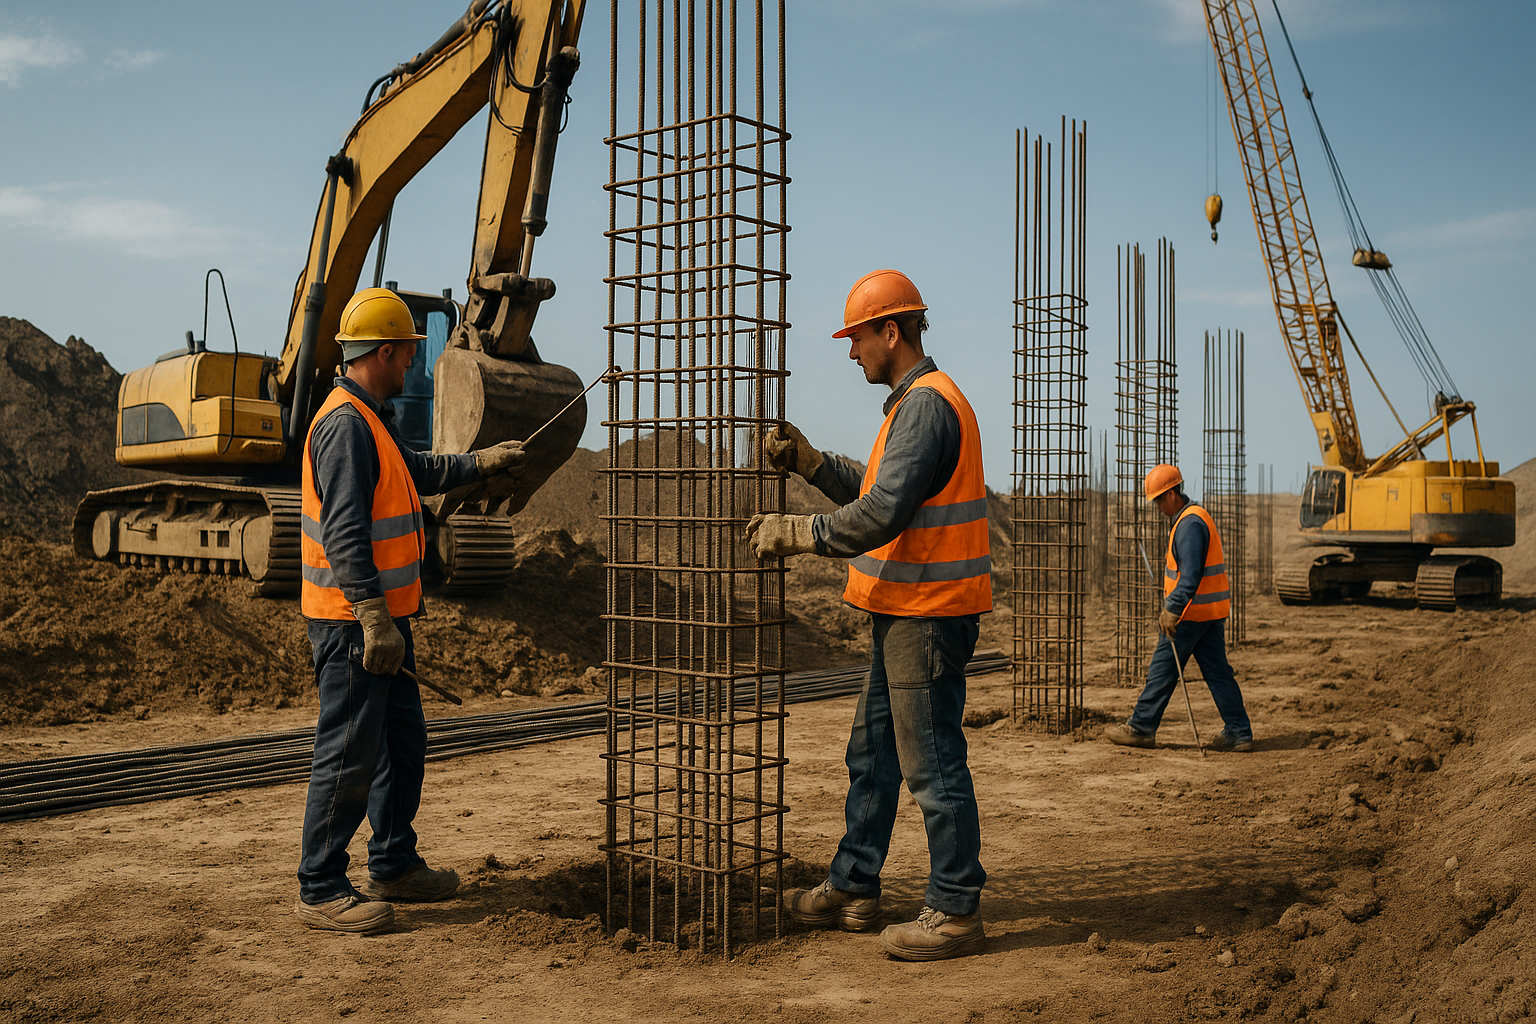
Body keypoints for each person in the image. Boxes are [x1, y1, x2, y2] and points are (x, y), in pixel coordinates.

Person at [746, 269, 991, 962]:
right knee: (873, 755)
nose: (851, 353)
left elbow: (881, 514)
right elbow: (878, 491)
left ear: (892, 330)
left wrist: (799, 533)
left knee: (931, 766)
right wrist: (813, 464)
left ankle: (954, 910)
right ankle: (855, 885)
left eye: (857, 338)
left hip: (928, 614)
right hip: (906, 612)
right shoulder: (912, 405)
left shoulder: (926, 407)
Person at [295, 287, 527, 934]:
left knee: (401, 746)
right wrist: (372, 619)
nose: (411, 368)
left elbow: (414, 470)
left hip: (385, 621)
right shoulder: (344, 426)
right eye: (407, 357)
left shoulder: (371, 418)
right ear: (388, 350)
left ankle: (393, 862)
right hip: (353, 624)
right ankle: (319, 887)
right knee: (348, 754)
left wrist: (480, 463)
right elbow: (344, 533)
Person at [1105, 464, 1254, 753]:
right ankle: (1239, 732)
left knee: (1162, 669)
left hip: (1190, 614)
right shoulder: (1193, 518)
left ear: (1173, 493)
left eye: (1160, 499)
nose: (1158, 506)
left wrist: (1172, 608)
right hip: (1208, 612)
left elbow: (1191, 574)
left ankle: (1141, 727)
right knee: (1219, 673)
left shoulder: (1189, 524)